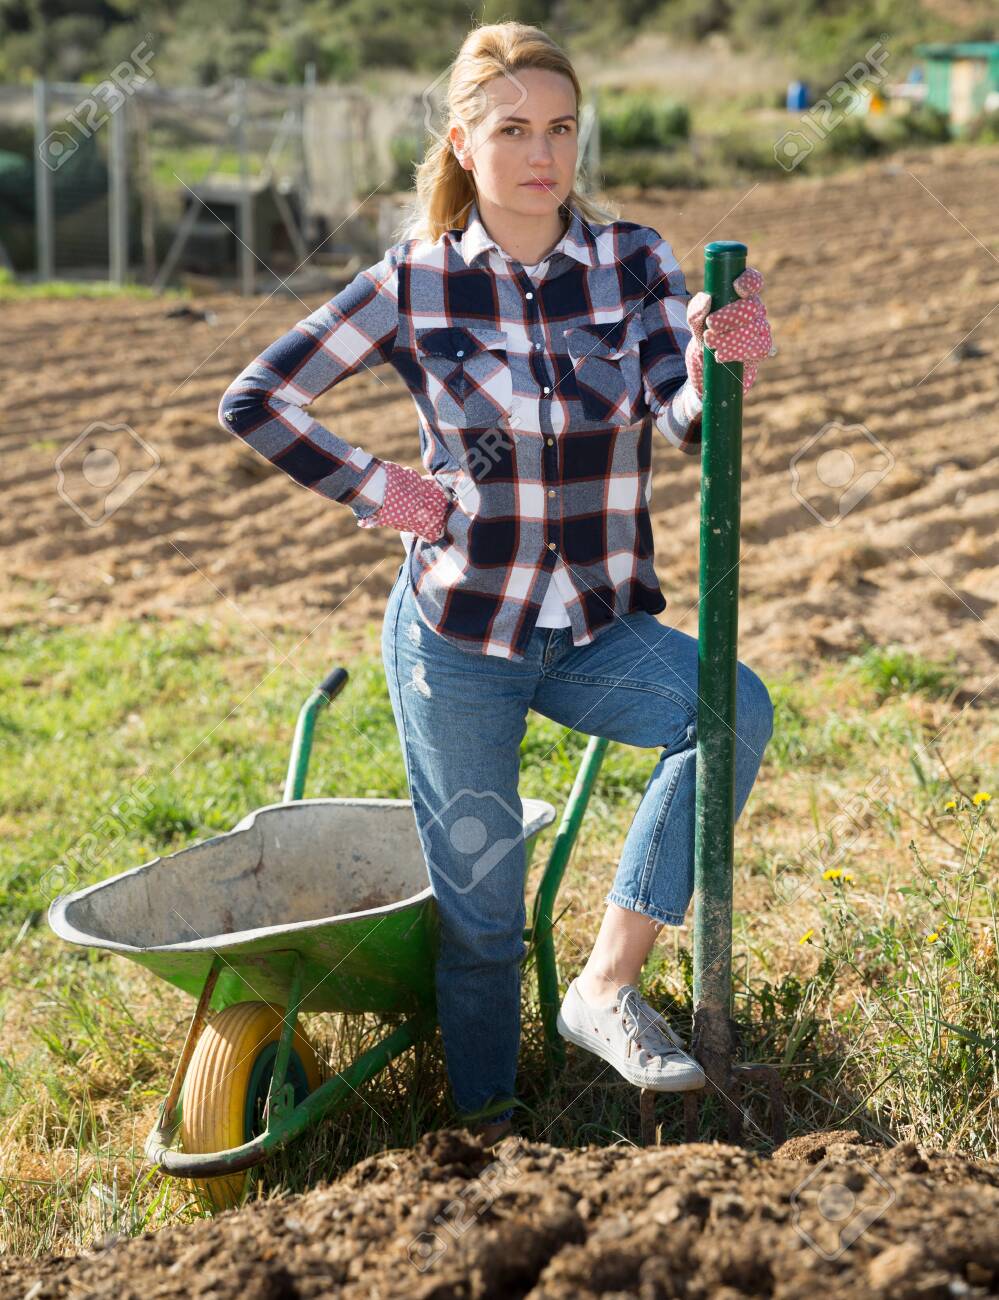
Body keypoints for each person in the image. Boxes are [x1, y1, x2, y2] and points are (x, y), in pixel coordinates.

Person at [217, 21, 776, 1149]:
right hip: (457, 639)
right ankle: (487, 1137)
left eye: (562, 129)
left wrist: (726, 363)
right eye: (514, 129)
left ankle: (607, 986)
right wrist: (395, 497)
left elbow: (680, 410)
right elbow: (257, 399)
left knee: (731, 708)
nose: (543, 153)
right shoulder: (414, 282)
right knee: (483, 923)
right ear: (464, 144)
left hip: (597, 627)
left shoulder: (632, 259)